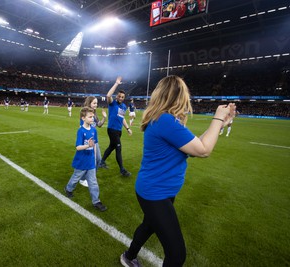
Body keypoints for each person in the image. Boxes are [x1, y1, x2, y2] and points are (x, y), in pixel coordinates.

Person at [120, 76, 236, 267]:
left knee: (148, 226)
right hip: (155, 193)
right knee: (176, 255)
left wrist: (220, 124)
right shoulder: (165, 121)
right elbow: (203, 150)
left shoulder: (165, 120)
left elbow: (196, 146)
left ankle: (128, 256)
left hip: (158, 191)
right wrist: (216, 118)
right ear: (178, 96)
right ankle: (129, 256)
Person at [64, 107, 107, 212]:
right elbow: (78, 147)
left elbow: (95, 145)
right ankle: (68, 189)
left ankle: (96, 201)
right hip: (82, 160)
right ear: (83, 118)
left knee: (93, 182)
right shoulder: (80, 131)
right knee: (76, 177)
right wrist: (88, 146)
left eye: (93, 116)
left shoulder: (93, 130)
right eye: (90, 117)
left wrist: (95, 158)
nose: (92, 118)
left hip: (90, 161)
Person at [99, 76, 132, 177]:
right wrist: (116, 83)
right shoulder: (112, 104)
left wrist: (128, 128)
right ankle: (122, 169)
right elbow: (108, 95)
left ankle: (101, 162)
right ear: (117, 96)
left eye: (122, 97)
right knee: (118, 148)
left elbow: (123, 119)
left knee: (111, 146)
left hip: (119, 131)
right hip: (112, 130)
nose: (121, 98)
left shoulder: (124, 107)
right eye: (119, 96)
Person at [79, 96, 107, 187]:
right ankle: (83, 179)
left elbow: (99, 125)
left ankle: (90, 178)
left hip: (94, 140)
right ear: (89, 103)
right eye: (94, 103)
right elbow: (82, 127)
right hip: (88, 141)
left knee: (98, 160)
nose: (96, 105)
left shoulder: (94, 114)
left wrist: (104, 118)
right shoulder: (85, 114)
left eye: (96, 103)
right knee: (89, 160)